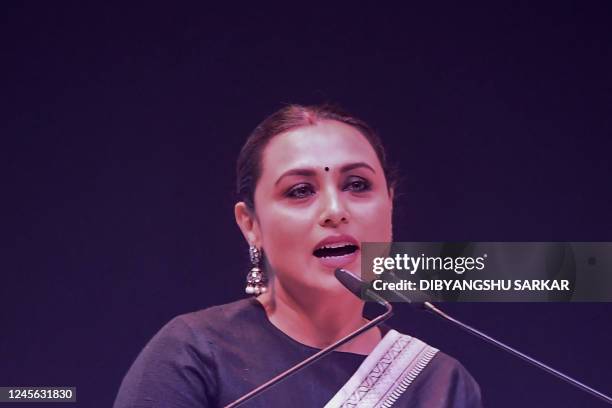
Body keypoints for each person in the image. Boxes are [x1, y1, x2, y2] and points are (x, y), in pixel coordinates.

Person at [113, 104, 483, 407]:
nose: (335, 210)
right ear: (250, 224)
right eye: (300, 191)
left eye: (357, 185)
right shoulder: (194, 353)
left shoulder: (440, 385)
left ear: (389, 204)